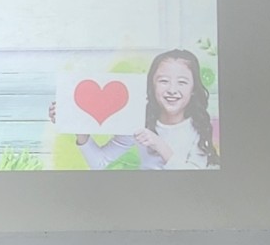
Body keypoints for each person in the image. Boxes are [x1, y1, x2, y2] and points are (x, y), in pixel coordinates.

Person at [52, 49, 220, 169]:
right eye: (163, 81)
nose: (172, 90)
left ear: (193, 89)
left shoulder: (199, 126)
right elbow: (99, 162)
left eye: (182, 82)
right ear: (152, 85)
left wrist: (159, 144)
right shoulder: (138, 123)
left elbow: (195, 177)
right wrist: (79, 126)